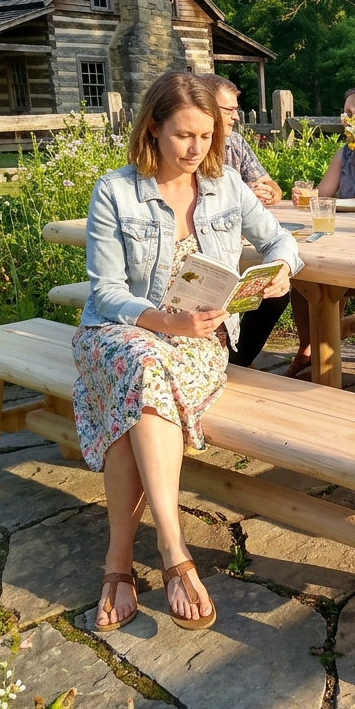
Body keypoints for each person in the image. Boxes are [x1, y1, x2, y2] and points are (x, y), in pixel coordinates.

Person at [73, 71, 302, 632]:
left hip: (199, 341)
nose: (197, 149)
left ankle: (119, 565)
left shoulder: (226, 186)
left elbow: (281, 241)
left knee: (138, 400)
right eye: (183, 136)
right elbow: (104, 290)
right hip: (120, 334)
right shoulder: (116, 190)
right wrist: (163, 319)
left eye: (206, 136)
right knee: (143, 365)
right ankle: (175, 553)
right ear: (153, 129)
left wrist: (281, 276)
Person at [285, 86, 355, 377]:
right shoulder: (345, 154)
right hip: (342, 237)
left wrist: (325, 203)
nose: (343, 119)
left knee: (318, 272)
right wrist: (304, 197)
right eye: (344, 113)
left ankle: (321, 353)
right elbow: (322, 194)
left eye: (350, 113)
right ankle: (308, 348)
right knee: (300, 268)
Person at [195, 73, 291, 368]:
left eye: (237, 110)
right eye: (229, 110)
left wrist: (264, 192)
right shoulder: (119, 188)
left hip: (238, 241)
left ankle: (235, 363)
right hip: (208, 260)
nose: (235, 117)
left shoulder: (235, 144)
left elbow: (270, 186)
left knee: (277, 289)